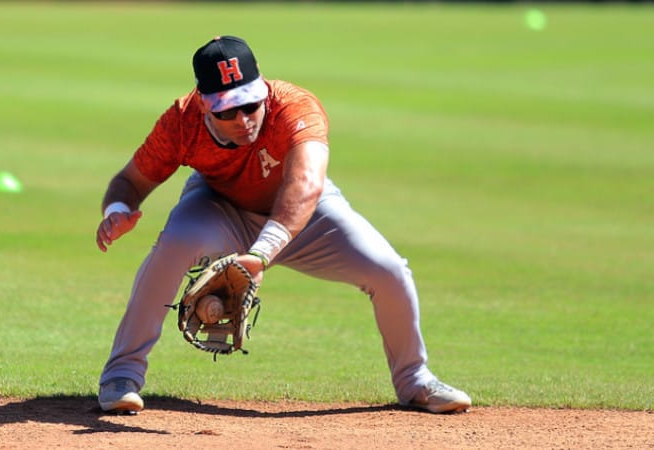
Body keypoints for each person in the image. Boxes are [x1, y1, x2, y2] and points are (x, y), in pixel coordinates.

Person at [94, 35, 471, 414]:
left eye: (249, 104)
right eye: (227, 111)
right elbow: (130, 181)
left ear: (263, 91)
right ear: (204, 108)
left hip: (306, 213)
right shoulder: (181, 121)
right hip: (220, 207)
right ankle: (121, 376)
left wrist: (261, 253)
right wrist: (117, 210)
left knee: (389, 270)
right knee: (174, 243)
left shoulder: (293, 106)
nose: (242, 119)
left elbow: (305, 184)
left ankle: (415, 380)